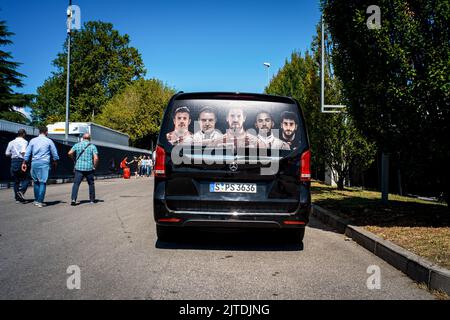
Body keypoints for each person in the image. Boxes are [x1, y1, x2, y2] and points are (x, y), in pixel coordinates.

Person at [22, 126, 59, 208]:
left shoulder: (32, 140)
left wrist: (24, 163)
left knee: (36, 182)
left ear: (39, 132)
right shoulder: (49, 141)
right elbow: (54, 153)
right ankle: (40, 201)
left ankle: (36, 200)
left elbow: (27, 153)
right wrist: (55, 161)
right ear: (46, 132)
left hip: (34, 163)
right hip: (44, 163)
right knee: (42, 182)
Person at [68, 133, 99, 205]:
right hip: (89, 168)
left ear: (83, 138)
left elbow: (69, 153)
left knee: (76, 184)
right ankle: (92, 200)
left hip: (79, 167)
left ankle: (73, 199)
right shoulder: (92, 146)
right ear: (89, 138)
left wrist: (73, 158)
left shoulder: (77, 145)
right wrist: (94, 166)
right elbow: (96, 158)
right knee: (91, 184)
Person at [5, 129, 29, 203]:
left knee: (16, 181)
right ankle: (21, 192)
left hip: (13, 161)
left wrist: (13, 155)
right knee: (26, 179)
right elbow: (23, 152)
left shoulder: (11, 142)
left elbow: (7, 153)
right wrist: (24, 162)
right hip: (21, 161)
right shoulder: (25, 142)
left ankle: (17, 199)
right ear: (23, 134)